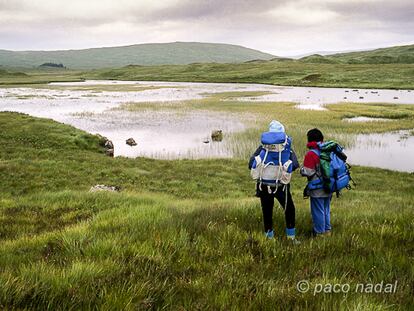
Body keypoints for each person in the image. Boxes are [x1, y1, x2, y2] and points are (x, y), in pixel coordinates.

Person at [248, 120, 299, 242]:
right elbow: (295, 165)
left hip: (263, 185)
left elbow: (251, 164)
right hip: (281, 185)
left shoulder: (262, 148)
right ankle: (291, 238)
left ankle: (269, 237)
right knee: (289, 209)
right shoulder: (286, 148)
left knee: (267, 211)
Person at [300, 128, 331, 236]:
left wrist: (301, 170)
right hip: (330, 185)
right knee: (326, 209)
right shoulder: (328, 150)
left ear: (309, 139)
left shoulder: (311, 154)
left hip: (317, 188)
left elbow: (308, 172)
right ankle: (327, 231)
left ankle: (319, 234)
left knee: (318, 211)